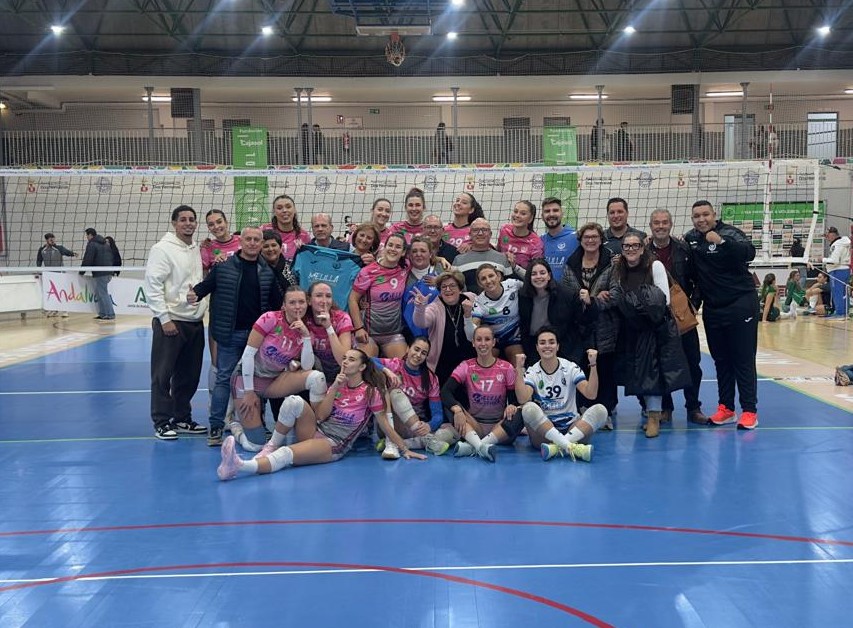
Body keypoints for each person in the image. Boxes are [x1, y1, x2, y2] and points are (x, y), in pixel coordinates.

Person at [217, 349, 426, 481]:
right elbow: (321, 416)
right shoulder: (338, 385)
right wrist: (334, 387)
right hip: (317, 430)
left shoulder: (371, 392)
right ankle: (270, 446)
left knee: (287, 454)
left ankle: (240, 466)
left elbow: (385, 424)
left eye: (351, 359)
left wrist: (404, 448)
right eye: (344, 358)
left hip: (333, 444)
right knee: (293, 401)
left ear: (362, 366)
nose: (345, 362)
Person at [188, 226, 281, 446]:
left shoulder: (267, 272)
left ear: (261, 244)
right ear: (241, 241)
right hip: (230, 336)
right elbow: (204, 287)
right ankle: (216, 426)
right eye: (248, 239)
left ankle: (258, 424)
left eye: (256, 240)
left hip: (256, 338)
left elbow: (277, 304)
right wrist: (194, 294)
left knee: (257, 381)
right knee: (224, 379)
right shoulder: (223, 268)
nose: (252, 243)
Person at [684, 200, 759, 430]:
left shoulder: (729, 233)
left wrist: (722, 242)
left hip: (741, 304)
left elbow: (749, 253)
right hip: (713, 308)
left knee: (743, 359)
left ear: (714, 215)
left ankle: (749, 411)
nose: (702, 219)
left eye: (705, 214)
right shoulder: (691, 239)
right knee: (721, 360)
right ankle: (726, 408)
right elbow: (696, 276)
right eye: (697, 216)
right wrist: (694, 303)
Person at [607, 233, 691, 438]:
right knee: (637, 375)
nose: (631, 249)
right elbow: (619, 297)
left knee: (652, 374)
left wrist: (632, 303)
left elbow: (661, 299)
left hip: (654, 329)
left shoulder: (655, 266)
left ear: (642, 248)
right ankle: (651, 412)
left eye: (635, 245)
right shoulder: (619, 269)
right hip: (631, 329)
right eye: (627, 246)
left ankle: (654, 417)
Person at [228, 286, 330, 450]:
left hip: (273, 381)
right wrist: (249, 391)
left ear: (307, 304)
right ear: (284, 305)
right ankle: (235, 426)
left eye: (301, 302)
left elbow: (306, 367)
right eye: (292, 302)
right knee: (255, 445)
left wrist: (305, 336)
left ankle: (320, 425)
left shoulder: (306, 331)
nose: (297, 307)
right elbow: (247, 356)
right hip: (247, 380)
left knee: (316, 378)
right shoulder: (270, 319)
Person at [143, 205, 208, 441]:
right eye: (183, 220)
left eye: (192, 219)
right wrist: (164, 318)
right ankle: (161, 422)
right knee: (162, 375)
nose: (188, 223)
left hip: (194, 322)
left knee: (189, 376)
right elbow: (152, 285)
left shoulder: (195, 248)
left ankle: (181, 418)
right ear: (174, 223)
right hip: (171, 322)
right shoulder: (162, 249)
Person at [648, 209, 709, 425]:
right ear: (650, 226)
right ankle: (666, 407)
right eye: (656, 223)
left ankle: (693, 407)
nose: (661, 226)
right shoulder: (644, 252)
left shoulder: (684, 249)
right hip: (657, 319)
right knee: (660, 363)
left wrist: (694, 304)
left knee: (692, 363)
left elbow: (699, 279)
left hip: (683, 317)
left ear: (671, 224)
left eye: (664, 222)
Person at [514, 328, 604, 461]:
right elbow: (522, 398)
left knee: (600, 410)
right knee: (528, 408)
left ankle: (556, 448)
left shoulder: (570, 367)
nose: (547, 346)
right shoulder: (533, 371)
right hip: (545, 432)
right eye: (542, 343)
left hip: (571, 428)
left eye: (551, 342)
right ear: (537, 348)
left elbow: (591, 394)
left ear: (557, 346)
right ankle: (570, 446)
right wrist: (519, 369)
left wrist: (593, 364)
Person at [561, 222, 618, 426]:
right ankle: (583, 408)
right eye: (586, 237)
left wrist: (592, 301)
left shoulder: (612, 263)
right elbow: (567, 294)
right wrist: (584, 301)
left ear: (601, 239)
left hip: (605, 326)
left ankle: (605, 411)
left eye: (595, 237)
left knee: (605, 370)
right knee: (581, 369)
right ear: (580, 240)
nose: (591, 240)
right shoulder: (572, 263)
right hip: (580, 327)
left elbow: (615, 294)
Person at [440, 326, 519, 462]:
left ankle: (475, 446)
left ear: (493, 342)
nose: (483, 343)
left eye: (487, 339)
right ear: (473, 343)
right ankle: (481, 446)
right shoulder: (466, 366)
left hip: (499, 427)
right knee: (451, 407)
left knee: (522, 411)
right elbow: (445, 392)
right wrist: (457, 409)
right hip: (474, 425)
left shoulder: (507, 367)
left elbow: (514, 398)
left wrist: (512, 405)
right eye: (479, 339)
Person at [372, 337, 450, 458]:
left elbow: (438, 414)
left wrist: (429, 425)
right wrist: (387, 371)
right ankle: (425, 440)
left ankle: (397, 444)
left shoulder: (431, 379)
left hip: (415, 428)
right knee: (395, 393)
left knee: (452, 432)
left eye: (423, 353)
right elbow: (368, 360)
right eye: (416, 349)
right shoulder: (395, 365)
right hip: (390, 425)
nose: (418, 355)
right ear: (408, 349)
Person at [518, 258, 595, 368]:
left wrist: (589, 303)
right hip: (534, 347)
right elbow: (523, 325)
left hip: (564, 347)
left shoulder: (567, 295)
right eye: (534, 274)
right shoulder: (523, 296)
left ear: (549, 275)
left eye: (542, 273)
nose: (538, 277)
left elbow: (583, 322)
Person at [349, 232, 409, 358]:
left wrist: (441, 259)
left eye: (398, 247)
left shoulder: (405, 267)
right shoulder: (368, 271)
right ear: (384, 248)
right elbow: (353, 299)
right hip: (368, 333)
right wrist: (358, 328)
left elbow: (426, 259)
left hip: (393, 333)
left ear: (403, 252)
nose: (393, 249)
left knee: (402, 366)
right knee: (365, 366)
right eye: (390, 245)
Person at [412, 270, 477, 384]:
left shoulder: (471, 299)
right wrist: (420, 308)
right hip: (443, 364)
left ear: (460, 288)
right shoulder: (434, 307)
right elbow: (421, 323)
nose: (448, 289)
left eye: (452, 286)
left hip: (470, 361)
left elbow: (475, 334)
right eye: (444, 287)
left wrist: (468, 314)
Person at [469, 264, 524, 364]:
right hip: (493, 340)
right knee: (485, 363)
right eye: (483, 279)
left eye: (491, 276)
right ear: (480, 283)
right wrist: (467, 318)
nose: (488, 281)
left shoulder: (512, 285)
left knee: (519, 362)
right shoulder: (479, 301)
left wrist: (516, 267)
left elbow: (531, 281)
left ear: (498, 276)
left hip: (514, 337)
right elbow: (474, 324)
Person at [304, 281, 355, 384]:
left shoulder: (342, 318)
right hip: (318, 370)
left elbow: (343, 361)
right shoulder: (304, 319)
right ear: (309, 300)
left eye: (328, 296)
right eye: (319, 296)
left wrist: (329, 327)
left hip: (343, 371)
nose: (324, 301)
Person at [454, 218, 515, 293]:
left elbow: (510, 287)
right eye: (475, 230)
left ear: (490, 234)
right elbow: (455, 288)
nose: (480, 233)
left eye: (484, 230)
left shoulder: (502, 258)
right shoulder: (458, 260)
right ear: (470, 234)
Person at [497, 200, 544, 271]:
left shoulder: (536, 243)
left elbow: (535, 274)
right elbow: (498, 251)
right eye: (515, 211)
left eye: (523, 213)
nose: (517, 215)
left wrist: (514, 266)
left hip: (522, 277)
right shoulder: (504, 229)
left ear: (530, 219)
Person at [37, 232, 76, 317]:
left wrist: (73, 254)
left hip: (59, 274)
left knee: (62, 292)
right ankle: (54, 310)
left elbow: (67, 252)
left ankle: (65, 310)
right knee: (52, 293)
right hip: (49, 275)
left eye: (53, 239)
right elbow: (39, 260)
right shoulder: (42, 250)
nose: (52, 241)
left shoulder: (59, 248)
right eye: (50, 239)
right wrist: (38, 270)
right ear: (47, 240)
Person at [262, 194, 311, 261]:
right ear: (274, 212)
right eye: (279, 208)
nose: (284, 210)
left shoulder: (304, 235)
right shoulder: (263, 230)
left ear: (294, 210)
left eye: (288, 207)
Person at [81, 227, 116, 321]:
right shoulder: (105, 244)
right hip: (107, 271)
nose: (87, 238)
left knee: (103, 293)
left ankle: (110, 314)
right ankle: (103, 313)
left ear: (90, 235)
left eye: (87, 236)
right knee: (100, 293)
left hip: (101, 273)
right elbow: (111, 257)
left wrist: (81, 271)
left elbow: (88, 259)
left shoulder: (92, 244)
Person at [540, 197, 578, 282]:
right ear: (542, 216)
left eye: (555, 210)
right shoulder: (540, 240)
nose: (551, 214)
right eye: (547, 211)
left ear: (562, 214)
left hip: (570, 289)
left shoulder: (576, 238)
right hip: (546, 289)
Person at [821, 226, 851, 317]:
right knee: (844, 293)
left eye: (828, 235)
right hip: (845, 270)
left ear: (833, 235)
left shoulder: (837, 244)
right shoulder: (843, 242)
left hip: (837, 271)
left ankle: (839, 313)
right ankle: (844, 312)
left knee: (837, 293)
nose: (827, 237)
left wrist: (822, 259)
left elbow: (834, 260)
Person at [201, 210, 241, 274]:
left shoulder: (242, 240)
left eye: (219, 222)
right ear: (208, 228)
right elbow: (205, 275)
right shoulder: (207, 247)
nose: (216, 227)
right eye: (211, 224)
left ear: (226, 223)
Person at [261, 230, 299, 299]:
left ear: (281, 247)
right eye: (266, 246)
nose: (270, 249)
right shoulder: (257, 270)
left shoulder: (292, 267)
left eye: (274, 245)